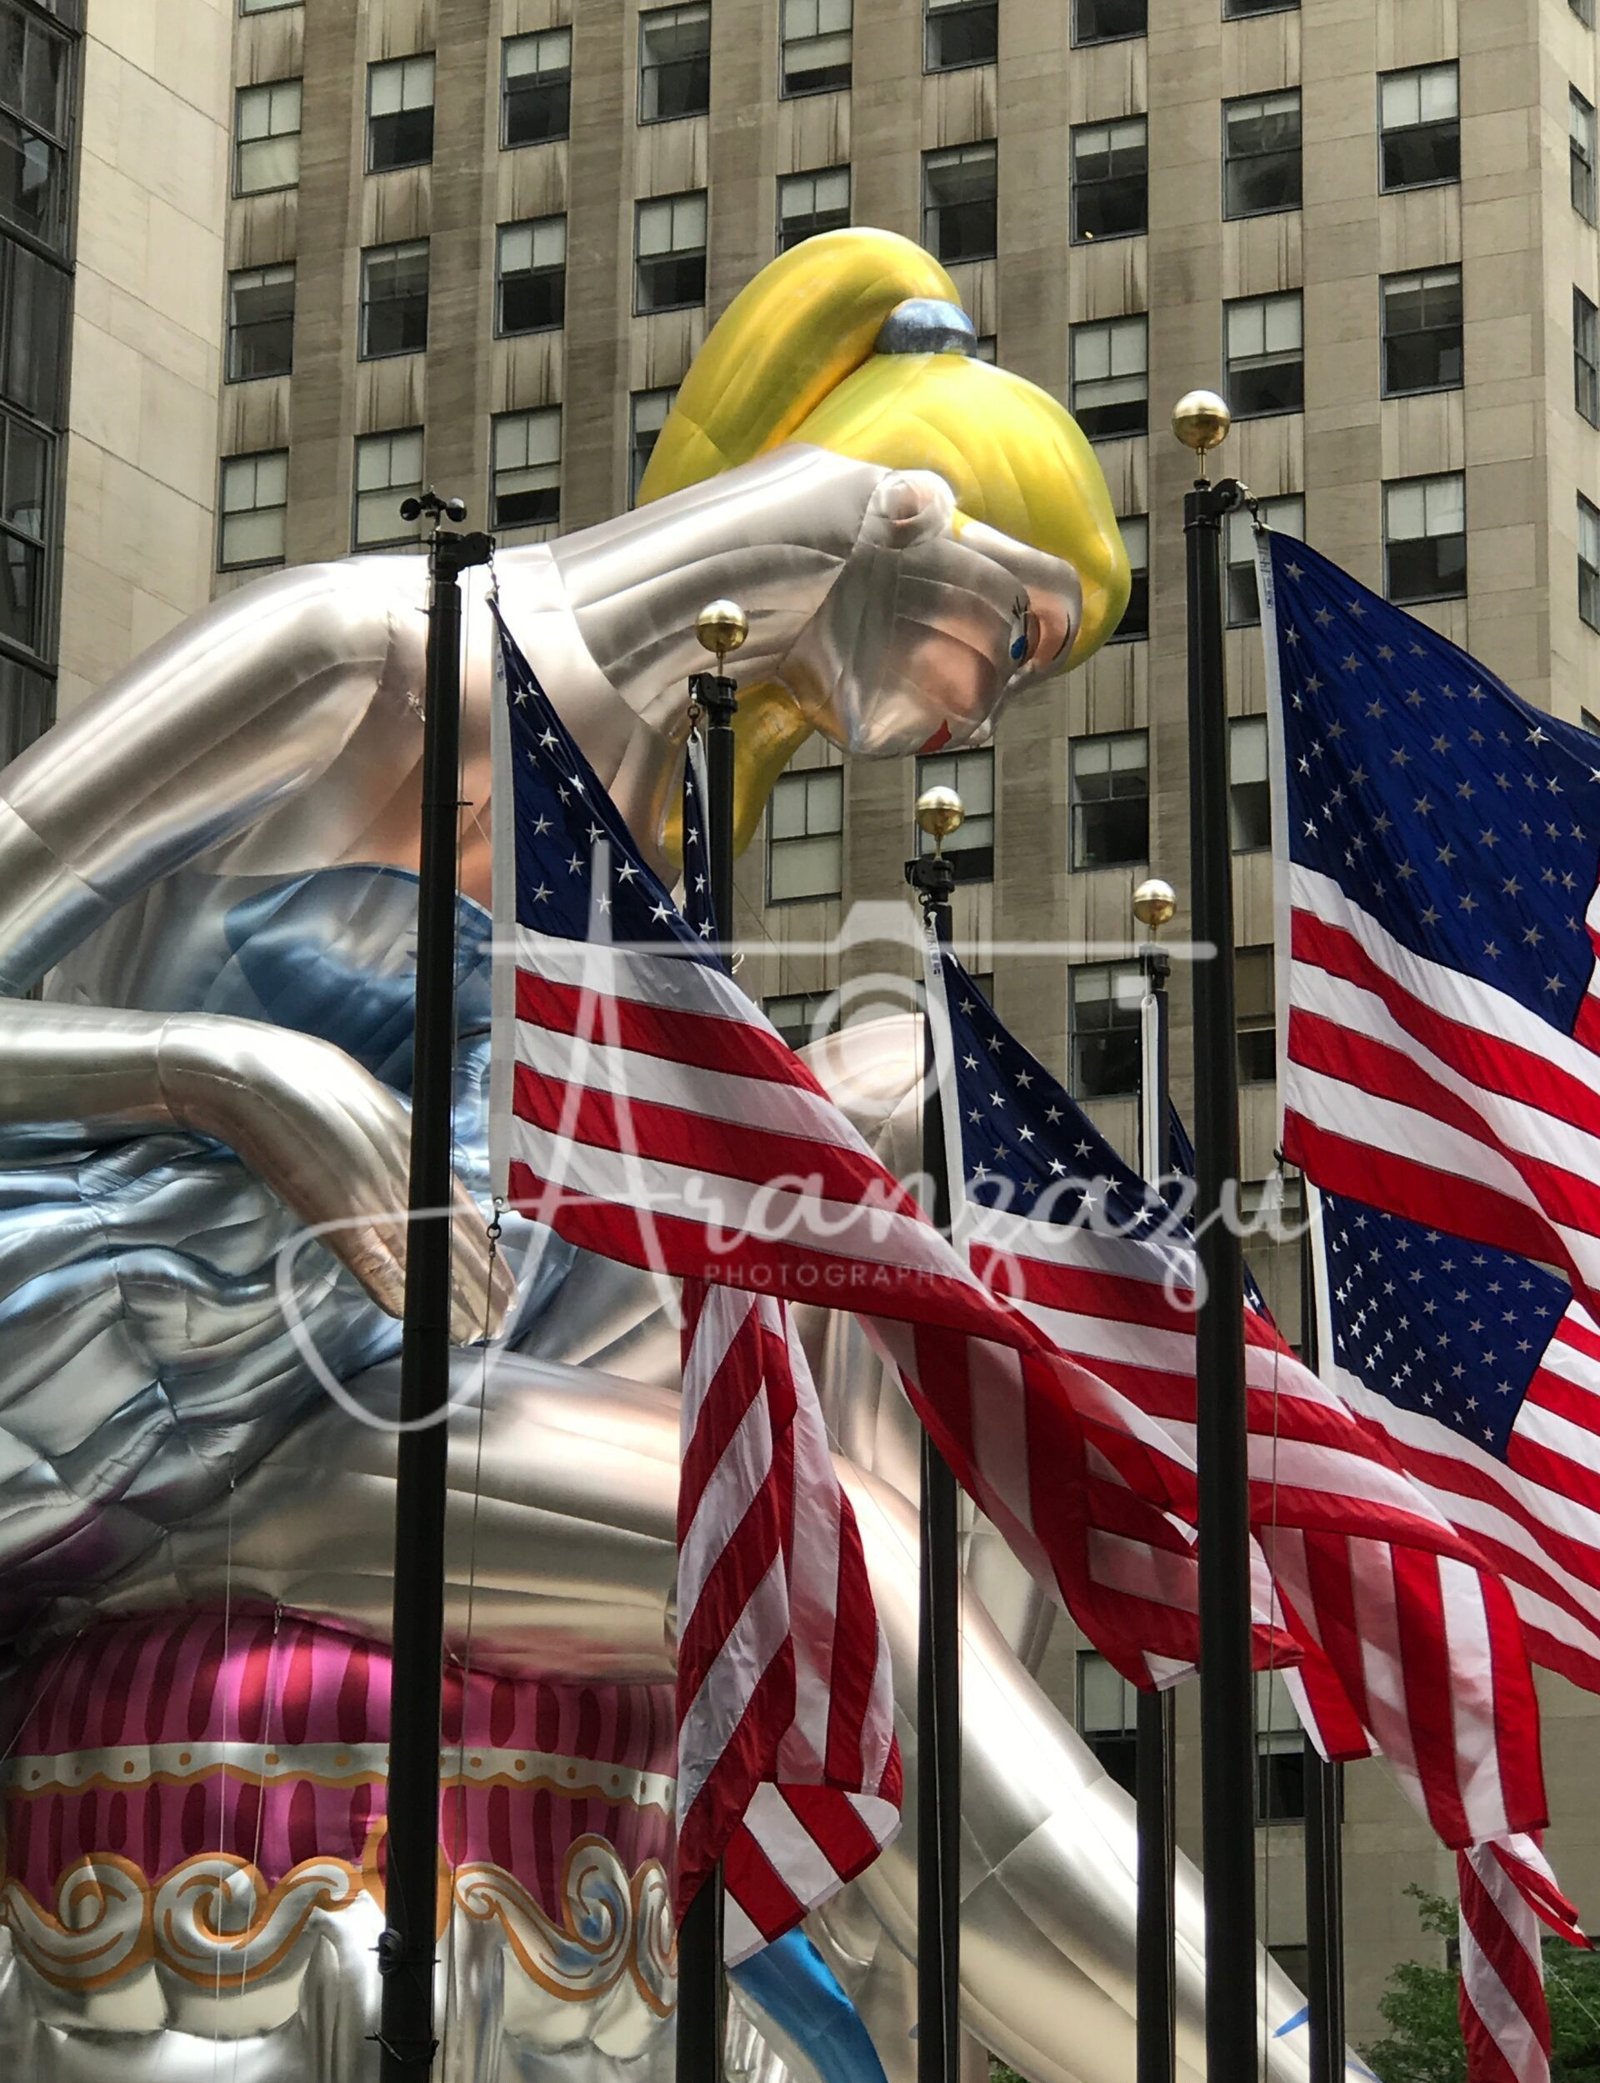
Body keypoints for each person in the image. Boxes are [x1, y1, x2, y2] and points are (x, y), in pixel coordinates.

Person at [0, 232, 1308, 2083]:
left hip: (432, 1376)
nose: (987, 711)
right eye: (1012, 640)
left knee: (902, 1208)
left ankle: (901, 1962)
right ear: (900, 515)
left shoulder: (662, 804)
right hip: (173, 1403)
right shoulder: (357, 655)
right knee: (826, 1568)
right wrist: (228, 1075)